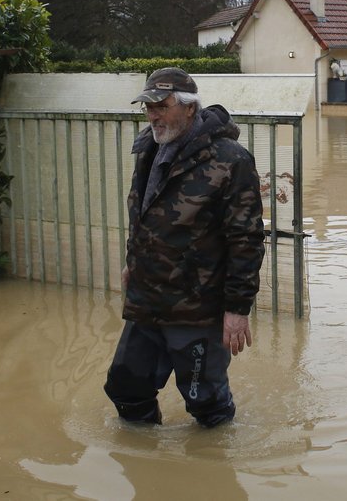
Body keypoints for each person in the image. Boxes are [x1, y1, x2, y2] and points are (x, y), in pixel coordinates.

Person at [104, 67, 265, 428]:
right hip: (148, 298)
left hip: (198, 307)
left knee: (206, 405)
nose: (153, 115)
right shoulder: (149, 146)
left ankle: (212, 470)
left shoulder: (230, 159)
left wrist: (237, 309)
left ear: (190, 108)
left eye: (162, 106)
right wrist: (134, 262)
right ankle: (148, 468)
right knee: (126, 389)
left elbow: (247, 239)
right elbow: (143, 212)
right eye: (148, 107)